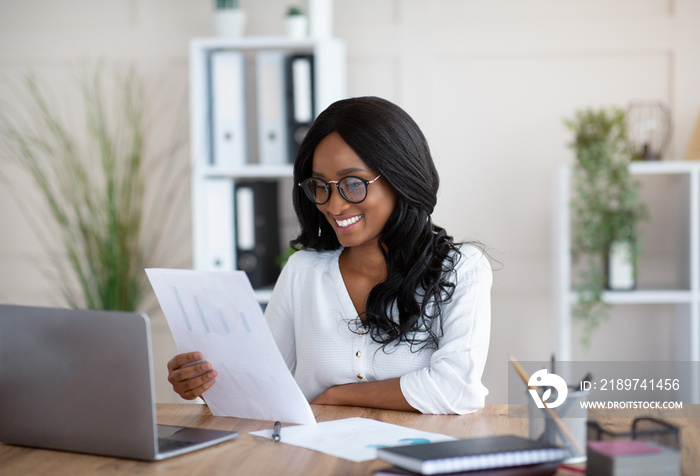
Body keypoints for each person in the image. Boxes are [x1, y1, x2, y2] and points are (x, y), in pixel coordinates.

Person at [167, 96, 492, 414]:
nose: (333, 206)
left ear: (400, 177)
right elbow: (261, 388)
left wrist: (337, 397)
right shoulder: (303, 273)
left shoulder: (460, 270)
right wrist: (203, 384)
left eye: (353, 184)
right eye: (320, 186)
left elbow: (457, 389)